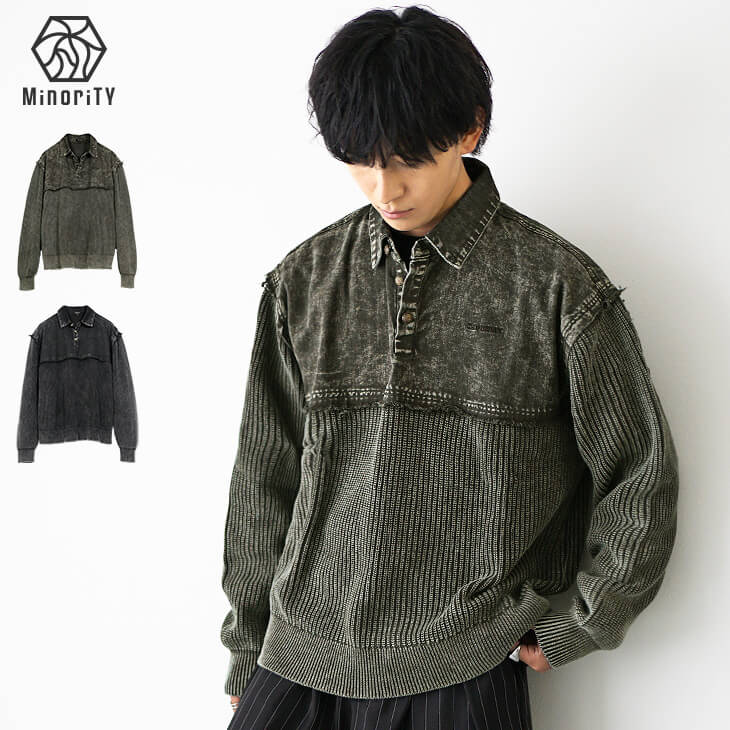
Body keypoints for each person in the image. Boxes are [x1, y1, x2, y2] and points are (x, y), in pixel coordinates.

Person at [219, 6, 679, 729]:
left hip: (464, 666)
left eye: (406, 158)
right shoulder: (303, 281)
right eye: (360, 160)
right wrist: (248, 644)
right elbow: (263, 474)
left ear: (469, 128)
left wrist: (586, 621)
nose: (384, 188)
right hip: (298, 661)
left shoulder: (557, 287)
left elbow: (638, 470)